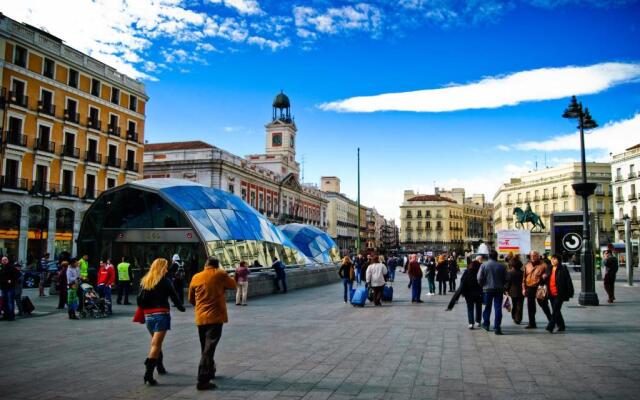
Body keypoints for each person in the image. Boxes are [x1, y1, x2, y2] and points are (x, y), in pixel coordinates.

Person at [188, 257, 237, 390]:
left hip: (200, 318)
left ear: (206, 265)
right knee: (209, 348)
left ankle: (210, 370)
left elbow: (191, 299)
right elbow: (233, 285)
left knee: (205, 346)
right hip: (215, 317)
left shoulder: (196, 276)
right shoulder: (220, 273)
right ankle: (203, 380)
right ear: (216, 265)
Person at [138, 258, 185, 386]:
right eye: (165, 267)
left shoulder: (145, 281)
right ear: (161, 268)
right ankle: (148, 373)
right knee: (156, 345)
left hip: (148, 316)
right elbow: (174, 297)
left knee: (156, 342)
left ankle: (160, 367)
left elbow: (139, 299)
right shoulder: (165, 281)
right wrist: (181, 308)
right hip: (161, 314)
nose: (166, 269)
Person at [477, 250, 507, 335]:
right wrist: (504, 286)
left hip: (487, 290)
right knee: (498, 309)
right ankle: (497, 327)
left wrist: (482, 285)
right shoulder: (502, 266)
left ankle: (486, 324)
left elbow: (479, 278)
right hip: (499, 290)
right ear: (496, 256)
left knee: (487, 307)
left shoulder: (484, 265)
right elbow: (507, 278)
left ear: (489, 256)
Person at [522, 251, 552, 329]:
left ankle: (551, 320)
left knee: (543, 304)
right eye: (531, 255)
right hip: (530, 287)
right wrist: (524, 288)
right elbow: (524, 278)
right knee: (530, 306)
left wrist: (546, 275)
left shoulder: (543, 265)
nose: (533, 257)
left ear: (538, 256)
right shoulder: (527, 265)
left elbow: (549, 274)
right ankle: (532, 323)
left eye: (535, 255)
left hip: (540, 287)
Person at [546, 254, 574, 333]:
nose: (552, 260)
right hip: (551, 292)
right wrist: (544, 277)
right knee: (556, 310)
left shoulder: (563, 269)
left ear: (559, 260)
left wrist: (570, 292)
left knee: (555, 310)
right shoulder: (549, 268)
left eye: (554, 259)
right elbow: (546, 279)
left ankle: (550, 326)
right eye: (552, 259)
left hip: (560, 293)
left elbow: (568, 281)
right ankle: (561, 325)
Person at [457, 257, 483, 329]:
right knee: (478, 307)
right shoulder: (480, 272)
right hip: (478, 293)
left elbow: (462, 282)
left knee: (470, 308)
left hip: (468, 293)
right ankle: (478, 321)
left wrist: (462, 292)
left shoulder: (467, 272)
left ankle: (471, 323)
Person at [506, 254, 524, 325]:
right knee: (520, 305)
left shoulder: (510, 273)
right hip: (521, 291)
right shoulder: (522, 273)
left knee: (514, 304)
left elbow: (508, 282)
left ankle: (514, 317)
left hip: (512, 291)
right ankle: (518, 319)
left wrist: (506, 289)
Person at [1, 256, 19, 321]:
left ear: (8, 260)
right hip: (3, 287)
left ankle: (11, 316)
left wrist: (11, 280)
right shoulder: (1, 268)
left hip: (10, 288)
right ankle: (6, 315)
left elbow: (18, 275)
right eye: (3, 260)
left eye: (5, 259)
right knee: (4, 302)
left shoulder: (11, 267)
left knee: (10, 302)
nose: (4, 261)